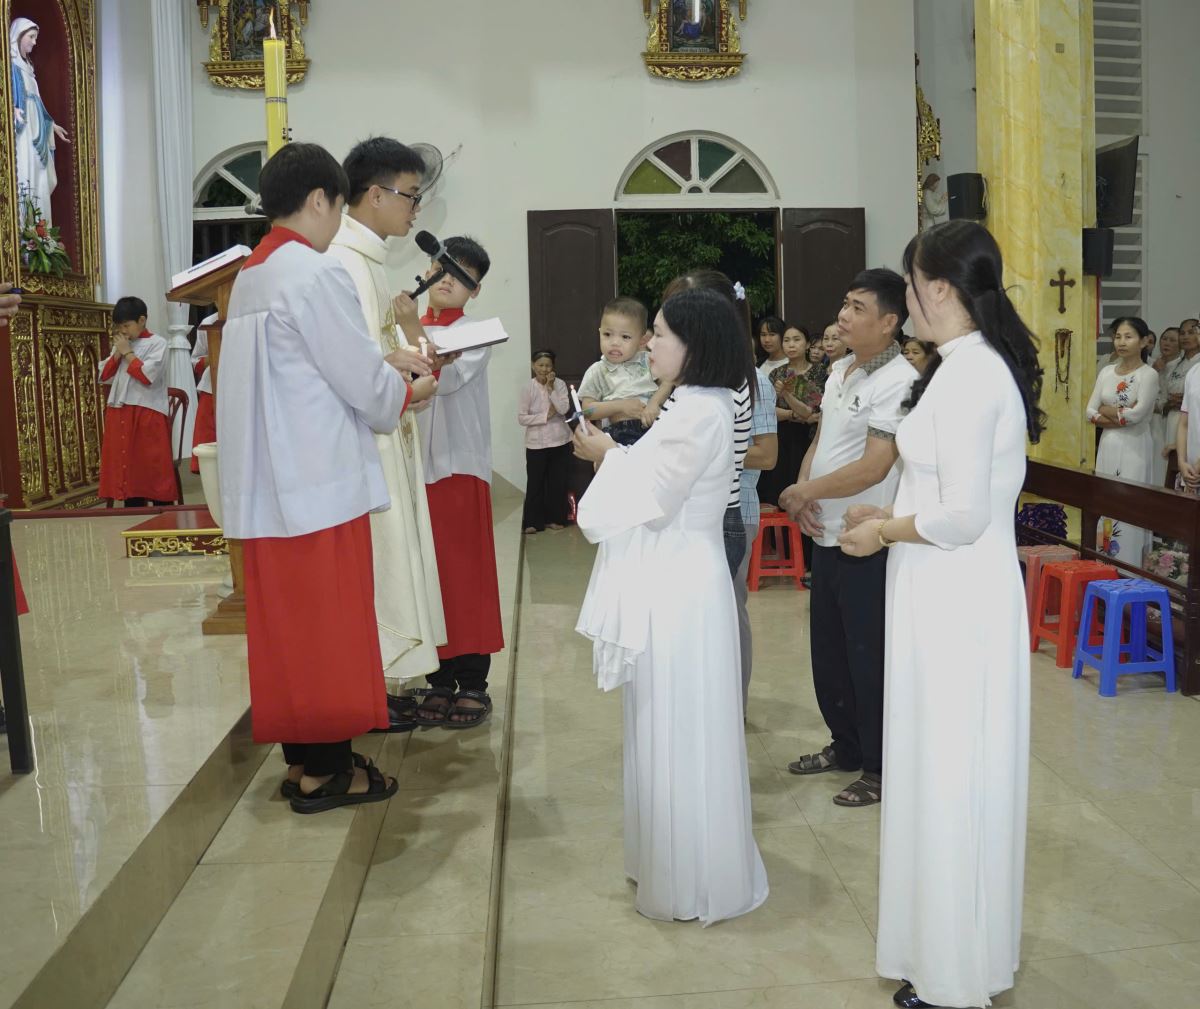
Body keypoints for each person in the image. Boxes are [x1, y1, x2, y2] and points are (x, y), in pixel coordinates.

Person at [837, 219, 1043, 1009]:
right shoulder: (958, 367)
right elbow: (942, 491)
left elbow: (962, 517)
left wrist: (883, 532)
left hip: (958, 599)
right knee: (933, 771)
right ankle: (939, 949)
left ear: (942, 288)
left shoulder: (973, 375)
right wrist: (887, 516)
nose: (908, 297)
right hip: (936, 590)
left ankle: (956, 975)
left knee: (953, 775)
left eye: (913, 283)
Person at [217, 142, 412, 813]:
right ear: (320, 199)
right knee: (327, 630)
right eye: (338, 209)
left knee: (289, 632)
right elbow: (362, 383)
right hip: (317, 483)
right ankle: (328, 773)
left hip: (269, 487)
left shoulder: (252, 275)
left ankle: (303, 759)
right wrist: (404, 389)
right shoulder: (313, 271)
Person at [573, 287, 769, 925]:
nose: (649, 344)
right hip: (676, 571)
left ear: (694, 343)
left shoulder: (700, 410)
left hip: (681, 580)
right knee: (663, 716)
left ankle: (690, 879)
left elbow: (658, 501)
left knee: (680, 721)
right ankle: (668, 860)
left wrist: (606, 455)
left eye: (659, 334)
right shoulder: (692, 401)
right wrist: (617, 456)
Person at [779, 269, 917, 808]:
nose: (843, 315)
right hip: (826, 532)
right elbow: (822, 438)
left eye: (858, 308)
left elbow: (875, 465)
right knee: (830, 653)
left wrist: (805, 491)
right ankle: (847, 746)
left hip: (867, 539)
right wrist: (804, 491)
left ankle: (880, 768)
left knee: (868, 659)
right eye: (844, 303)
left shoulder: (899, 380)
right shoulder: (840, 368)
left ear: (888, 322)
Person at [327, 136, 446, 725]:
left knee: (397, 553)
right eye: (410, 195)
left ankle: (384, 679)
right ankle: (372, 682)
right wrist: (400, 378)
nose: (415, 209)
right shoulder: (343, 262)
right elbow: (341, 365)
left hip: (389, 430)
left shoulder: (368, 260)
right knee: (380, 557)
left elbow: (376, 350)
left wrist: (407, 363)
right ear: (374, 194)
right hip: (365, 441)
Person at [409, 236, 504, 729]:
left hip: (458, 466)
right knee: (426, 573)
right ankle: (438, 680)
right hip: (411, 469)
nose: (448, 279)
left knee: (464, 573)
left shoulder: (477, 332)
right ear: (427, 269)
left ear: (476, 289)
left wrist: (408, 326)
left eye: (462, 276)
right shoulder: (398, 327)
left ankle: (472, 682)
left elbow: (440, 379)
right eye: (441, 267)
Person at [656, 269, 769, 645]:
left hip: (714, 519)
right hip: (707, 518)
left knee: (717, 634)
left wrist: (613, 457)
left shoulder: (717, 390)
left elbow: (682, 463)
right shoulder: (702, 382)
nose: (655, 340)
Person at [1087, 317, 1159, 565]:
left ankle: (1130, 567)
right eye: (1118, 336)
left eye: (1129, 337)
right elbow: (1089, 411)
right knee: (1107, 502)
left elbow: (1136, 416)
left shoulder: (1148, 375)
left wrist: (1106, 409)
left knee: (1130, 502)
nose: (1121, 342)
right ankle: (1104, 564)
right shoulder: (1107, 371)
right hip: (1108, 444)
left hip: (1135, 447)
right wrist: (1119, 413)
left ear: (1144, 341)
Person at [98, 297, 177, 507]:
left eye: (126, 325)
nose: (123, 331)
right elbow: (104, 375)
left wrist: (128, 353)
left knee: (151, 464)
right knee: (128, 467)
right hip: (121, 410)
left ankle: (163, 511)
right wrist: (118, 354)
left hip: (147, 411)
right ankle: (133, 507)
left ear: (142, 320)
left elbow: (147, 376)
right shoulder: (123, 345)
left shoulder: (158, 343)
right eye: (119, 326)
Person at [578, 298, 671, 447]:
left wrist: (654, 403)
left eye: (625, 337)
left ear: (642, 341)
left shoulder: (648, 360)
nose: (615, 342)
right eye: (607, 334)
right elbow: (587, 410)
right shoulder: (597, 370)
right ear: (600, 333)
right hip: (618, 432)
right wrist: (621, 406)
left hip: (654, 425)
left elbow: (668, 381)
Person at [758, 324, 823, 512]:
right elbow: (767, 410)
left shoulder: (818, 372)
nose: (791, 345)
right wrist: (792, 414)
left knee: (804, 488)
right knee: (778, 488)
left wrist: (786, 395)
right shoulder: (776, 373)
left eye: (796, 340)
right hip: (780, 436)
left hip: (809, 438)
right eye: (787, 340)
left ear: (808, 344)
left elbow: (811, 412)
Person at [10, 19, 69, 227]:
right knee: (25, 171)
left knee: (39, 175)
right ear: (19, 36)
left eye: (36, 38)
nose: (34, 42)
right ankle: (24, 229)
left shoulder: (28, 68)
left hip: (37, 130)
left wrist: (51, 125)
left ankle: (40, 231)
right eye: (31, 37)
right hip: (22, 129)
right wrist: (11, 109)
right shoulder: (10, 67)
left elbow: (38, 103)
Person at [518, 349, 572, 533]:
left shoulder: (560, 384)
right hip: (536, 443)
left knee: (558, 482)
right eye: (540, 365)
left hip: (560, 441)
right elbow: (522, 418)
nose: (544, 369)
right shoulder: (528, 387)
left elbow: (563, 409)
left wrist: (550, 389)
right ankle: (533, 522)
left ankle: (556, 519)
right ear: (533, 366)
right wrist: (545, 416)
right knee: (535, 483)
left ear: (553, 367)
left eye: (548, 365)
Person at [1162, 319, 1200, 488]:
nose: (1185, 337)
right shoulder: (1184, 367)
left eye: (1191, 332)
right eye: (1182, 333)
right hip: (1176, 423)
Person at [1151, 327, 1180, 485]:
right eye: (1164, 339)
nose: (1167, 343)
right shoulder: (1152, 364)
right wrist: (1154, 370)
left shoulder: (1181, 367)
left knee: (1164, 460)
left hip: (1170, 420)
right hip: (1151, 420)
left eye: (1172, 340)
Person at [189, 314, 217, 474]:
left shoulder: (250, 316)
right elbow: (195, 361)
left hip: (244, 387)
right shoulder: (208, 322)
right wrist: (211, 357)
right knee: (208, 444)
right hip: (211, 388)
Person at [755, 315, 788, 379]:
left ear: (783, 335)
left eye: (772, 334)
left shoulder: (791, 364)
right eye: (763, 335)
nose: (767, 340)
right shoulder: (759, 363)